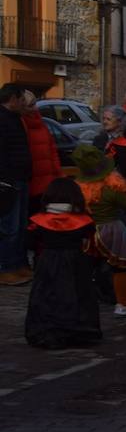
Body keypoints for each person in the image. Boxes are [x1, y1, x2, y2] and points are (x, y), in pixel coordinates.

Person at [25, 177, 101, 348]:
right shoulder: (84, 221)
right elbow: (91, 239)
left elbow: (28, 242)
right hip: (76, 261)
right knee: (79, 294)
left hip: (48, 261)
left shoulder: (38, 221)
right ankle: (79, 331)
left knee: (47, 296)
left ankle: (49, 331)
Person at [72, 145, 126, 317]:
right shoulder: (111, 188)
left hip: (88, 230)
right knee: (120, 268)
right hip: (112, 229)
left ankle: (83, 300)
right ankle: (123, 304)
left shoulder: (78, 189)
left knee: (86, 267)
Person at [0, 83, 33, 285]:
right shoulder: (3, 120)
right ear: (12, 99)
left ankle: (18, 264)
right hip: (9, 181)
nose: (23, 104)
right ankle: (6, 267)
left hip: (20, 178)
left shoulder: (15, 119)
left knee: (20, 226)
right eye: (21, 100)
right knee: (9, 227)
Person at [20, 91, 60, 202]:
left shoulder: (41, 124)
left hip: (47, 182)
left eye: (35, 103)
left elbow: (52, 150)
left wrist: (57, 172)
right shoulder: (21, 125)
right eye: (31, 105)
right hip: (31, 182)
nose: (35, 108)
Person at [95, 106, 126, 183]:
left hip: (121, 183)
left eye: (108, 119)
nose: (104, 122)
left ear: (120, 121)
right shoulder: (99, 138)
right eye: (103, 119)